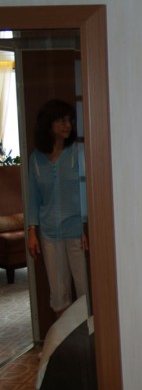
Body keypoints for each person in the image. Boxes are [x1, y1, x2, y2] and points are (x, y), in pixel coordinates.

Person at [26, 99, 88, 316]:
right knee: (59, 294)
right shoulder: (36, 159)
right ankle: (66, 335)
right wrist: (32, 231)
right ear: (48, 123)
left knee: (85, 291)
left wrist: (85, 226)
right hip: (50, 234)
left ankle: (88, 336)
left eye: (69, 120)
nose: (67, 125)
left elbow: (87, 191)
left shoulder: (78, 153)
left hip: (77, 233)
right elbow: (33, 197)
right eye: (61, 120)